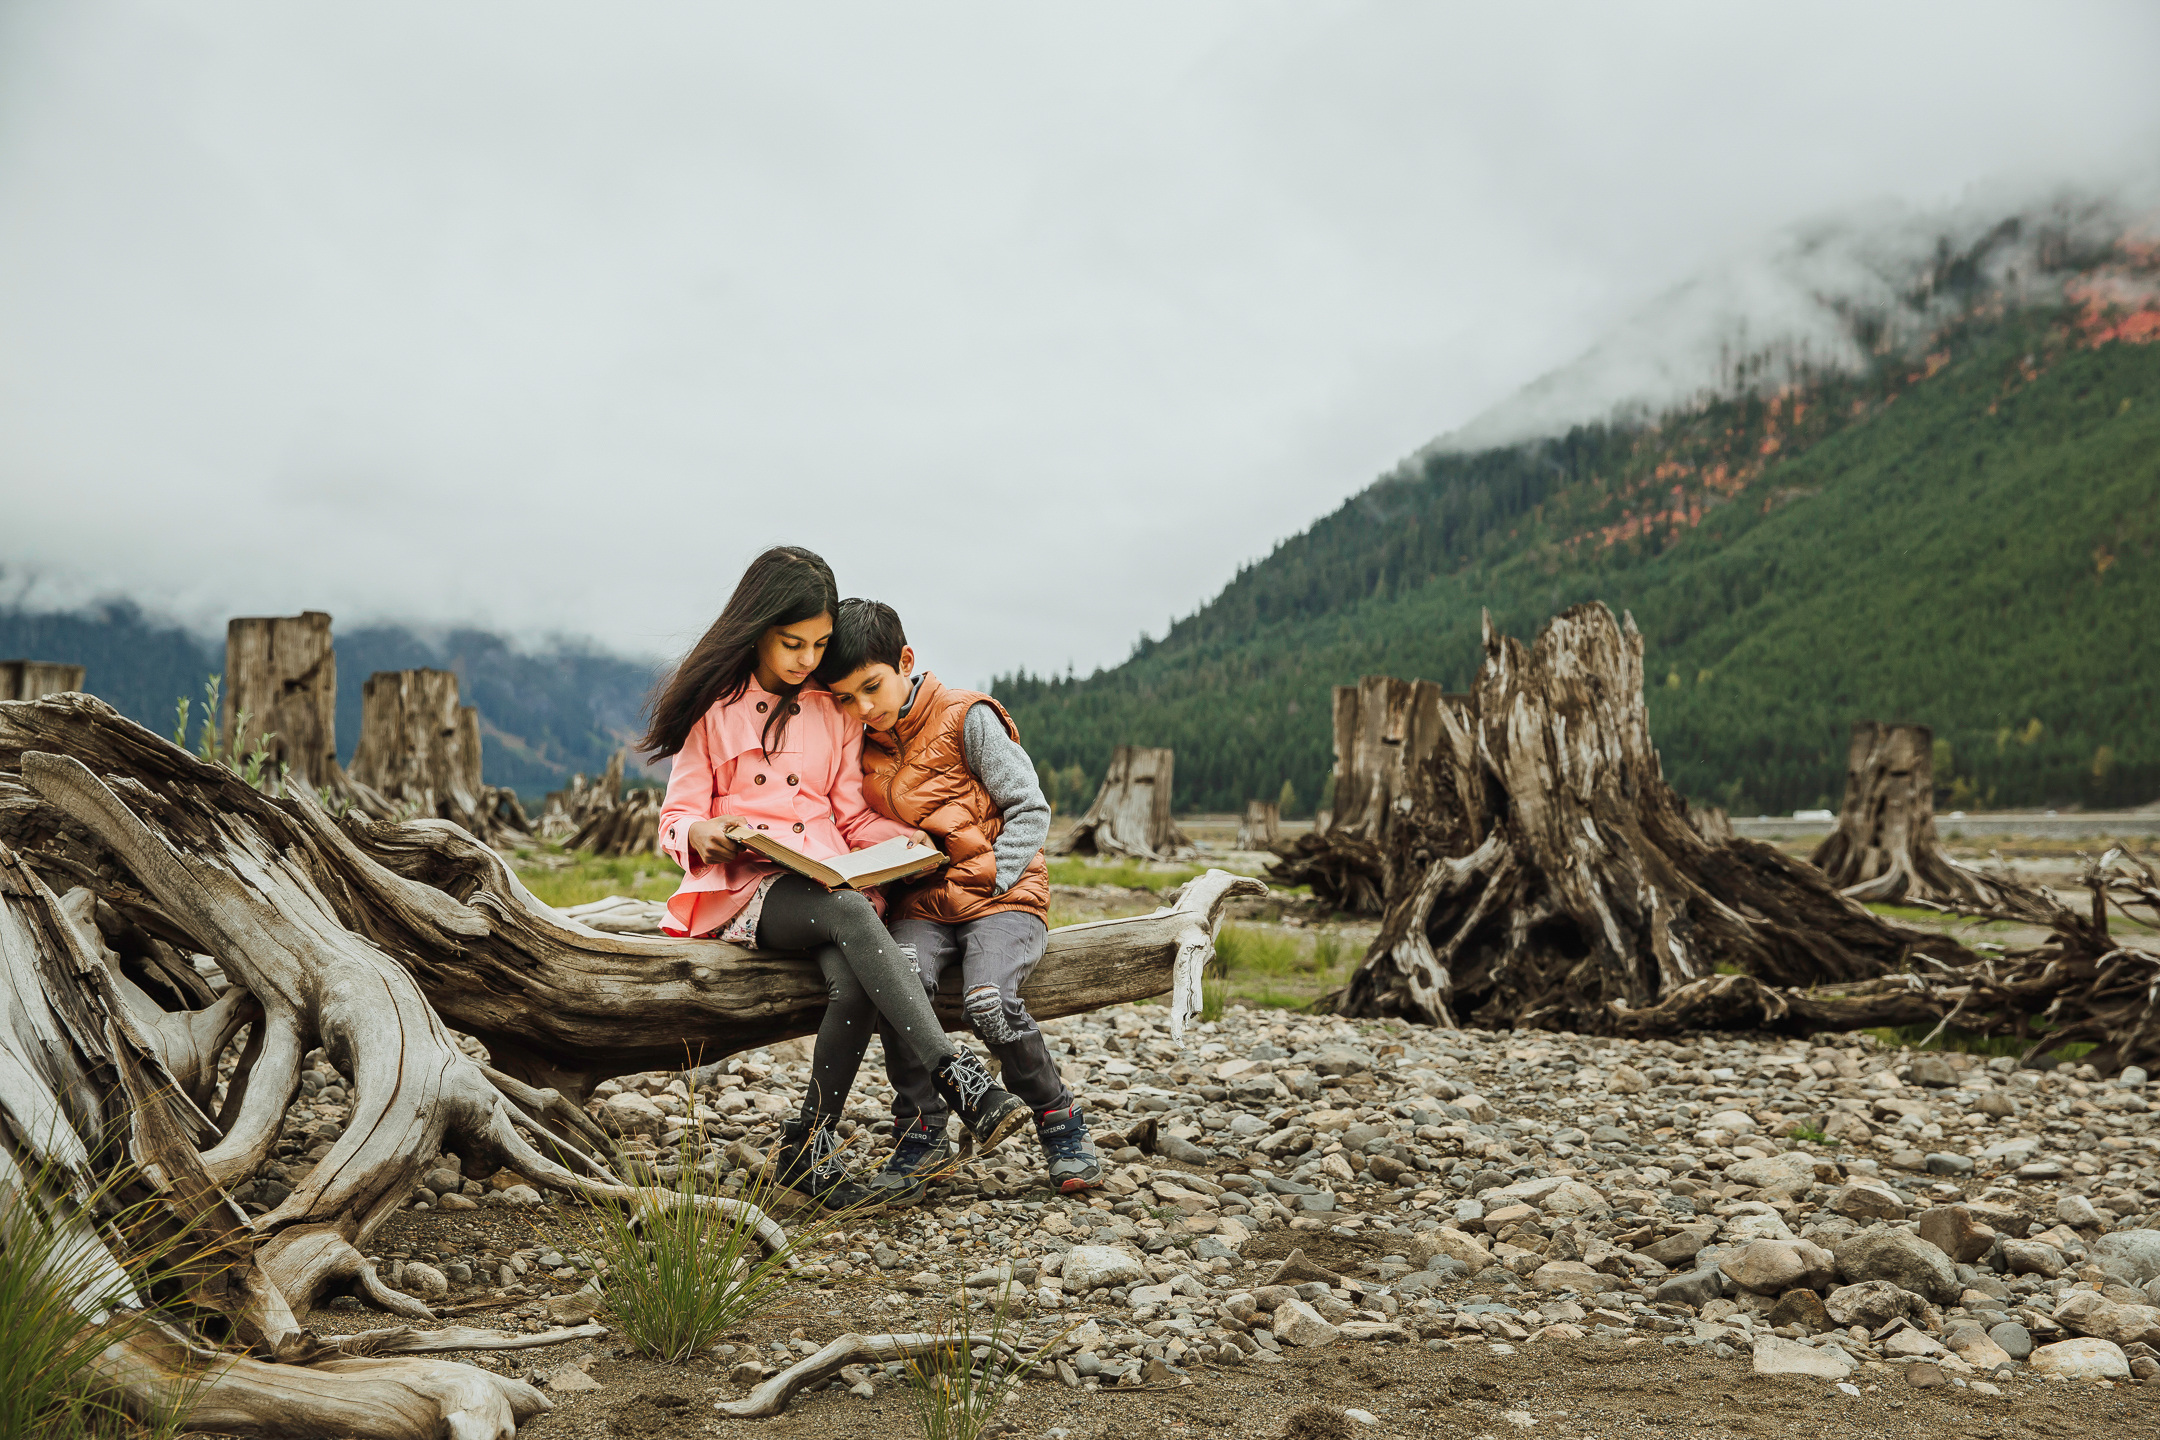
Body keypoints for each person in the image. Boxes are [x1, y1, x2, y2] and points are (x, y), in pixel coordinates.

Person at [646, 547, 1031, 1209]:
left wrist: (905, 844)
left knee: (853, 978)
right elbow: (675, 816)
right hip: (746, 892)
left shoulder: (830, 709)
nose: (806, 659)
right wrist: (702, 835)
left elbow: (851, 815)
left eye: (819, 645)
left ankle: (808, 1147)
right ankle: (957, 1075)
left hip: (823, 883)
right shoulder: (718, 708)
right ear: (756, 628)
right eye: (792, 643)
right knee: (851, 912)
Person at [816, 598, 1103, 1200]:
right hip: (921, 904)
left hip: (1003, 899)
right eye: (845, 697)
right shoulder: (856, 740)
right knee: (901, 981)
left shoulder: (966, 717)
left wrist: (995, 878)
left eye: (872, 688)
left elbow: (1031, 806)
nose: (862, 708)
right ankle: (921, 1130)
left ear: (906, 661)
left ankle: (1057, 1117)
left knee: (986, 1000)